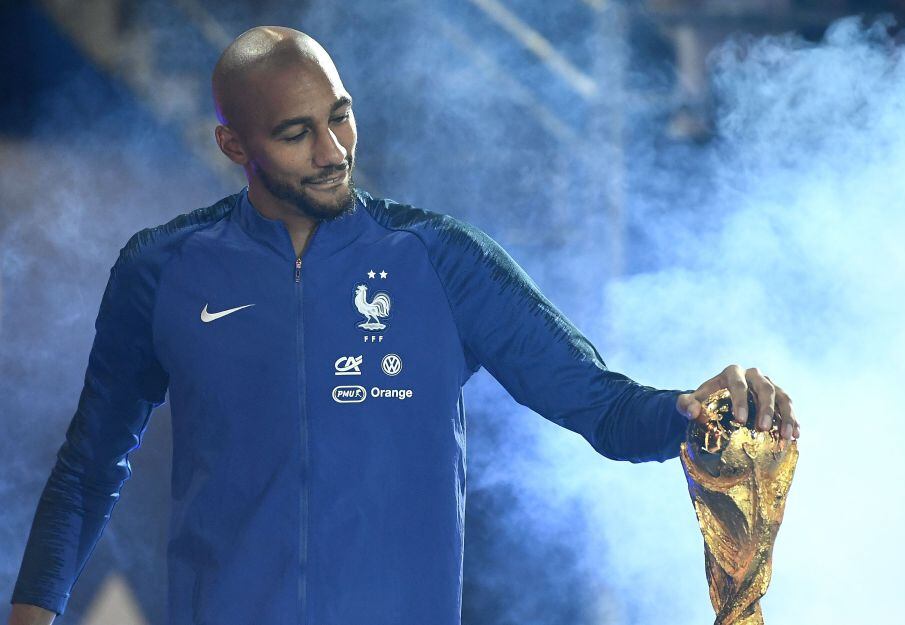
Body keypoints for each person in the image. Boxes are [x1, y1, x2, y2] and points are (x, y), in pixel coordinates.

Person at [7, 26, 800, 625]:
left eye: (340, 117)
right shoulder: (162, 270)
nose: (333, 149)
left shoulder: (441, 261)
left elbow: (599, 404)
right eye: (297, 133)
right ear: (233, 145)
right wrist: (32, 612)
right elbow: (87, 467)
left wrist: (692, 409)